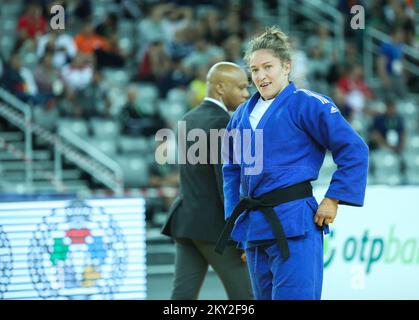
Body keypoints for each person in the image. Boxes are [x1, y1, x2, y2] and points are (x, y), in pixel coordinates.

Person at [215, 26, 369, 300]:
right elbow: (232, 170)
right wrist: (239, 227)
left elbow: (354, 149)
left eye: (268, 67)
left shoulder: (308, 104)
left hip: (295, 222)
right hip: (255, 228)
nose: (261, 76)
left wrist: (333, 198)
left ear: (286, 66)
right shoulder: (240, 115)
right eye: (254, 69)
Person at [161, 62, 253, 300]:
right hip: (215, 229)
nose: (246, 94)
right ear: (221, 88)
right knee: (248, 297)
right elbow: (227, 185)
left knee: (181, 298)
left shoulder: (186, 118)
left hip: (187, 221)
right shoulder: (223, 123)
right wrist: (240, 234)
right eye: (242, 87)